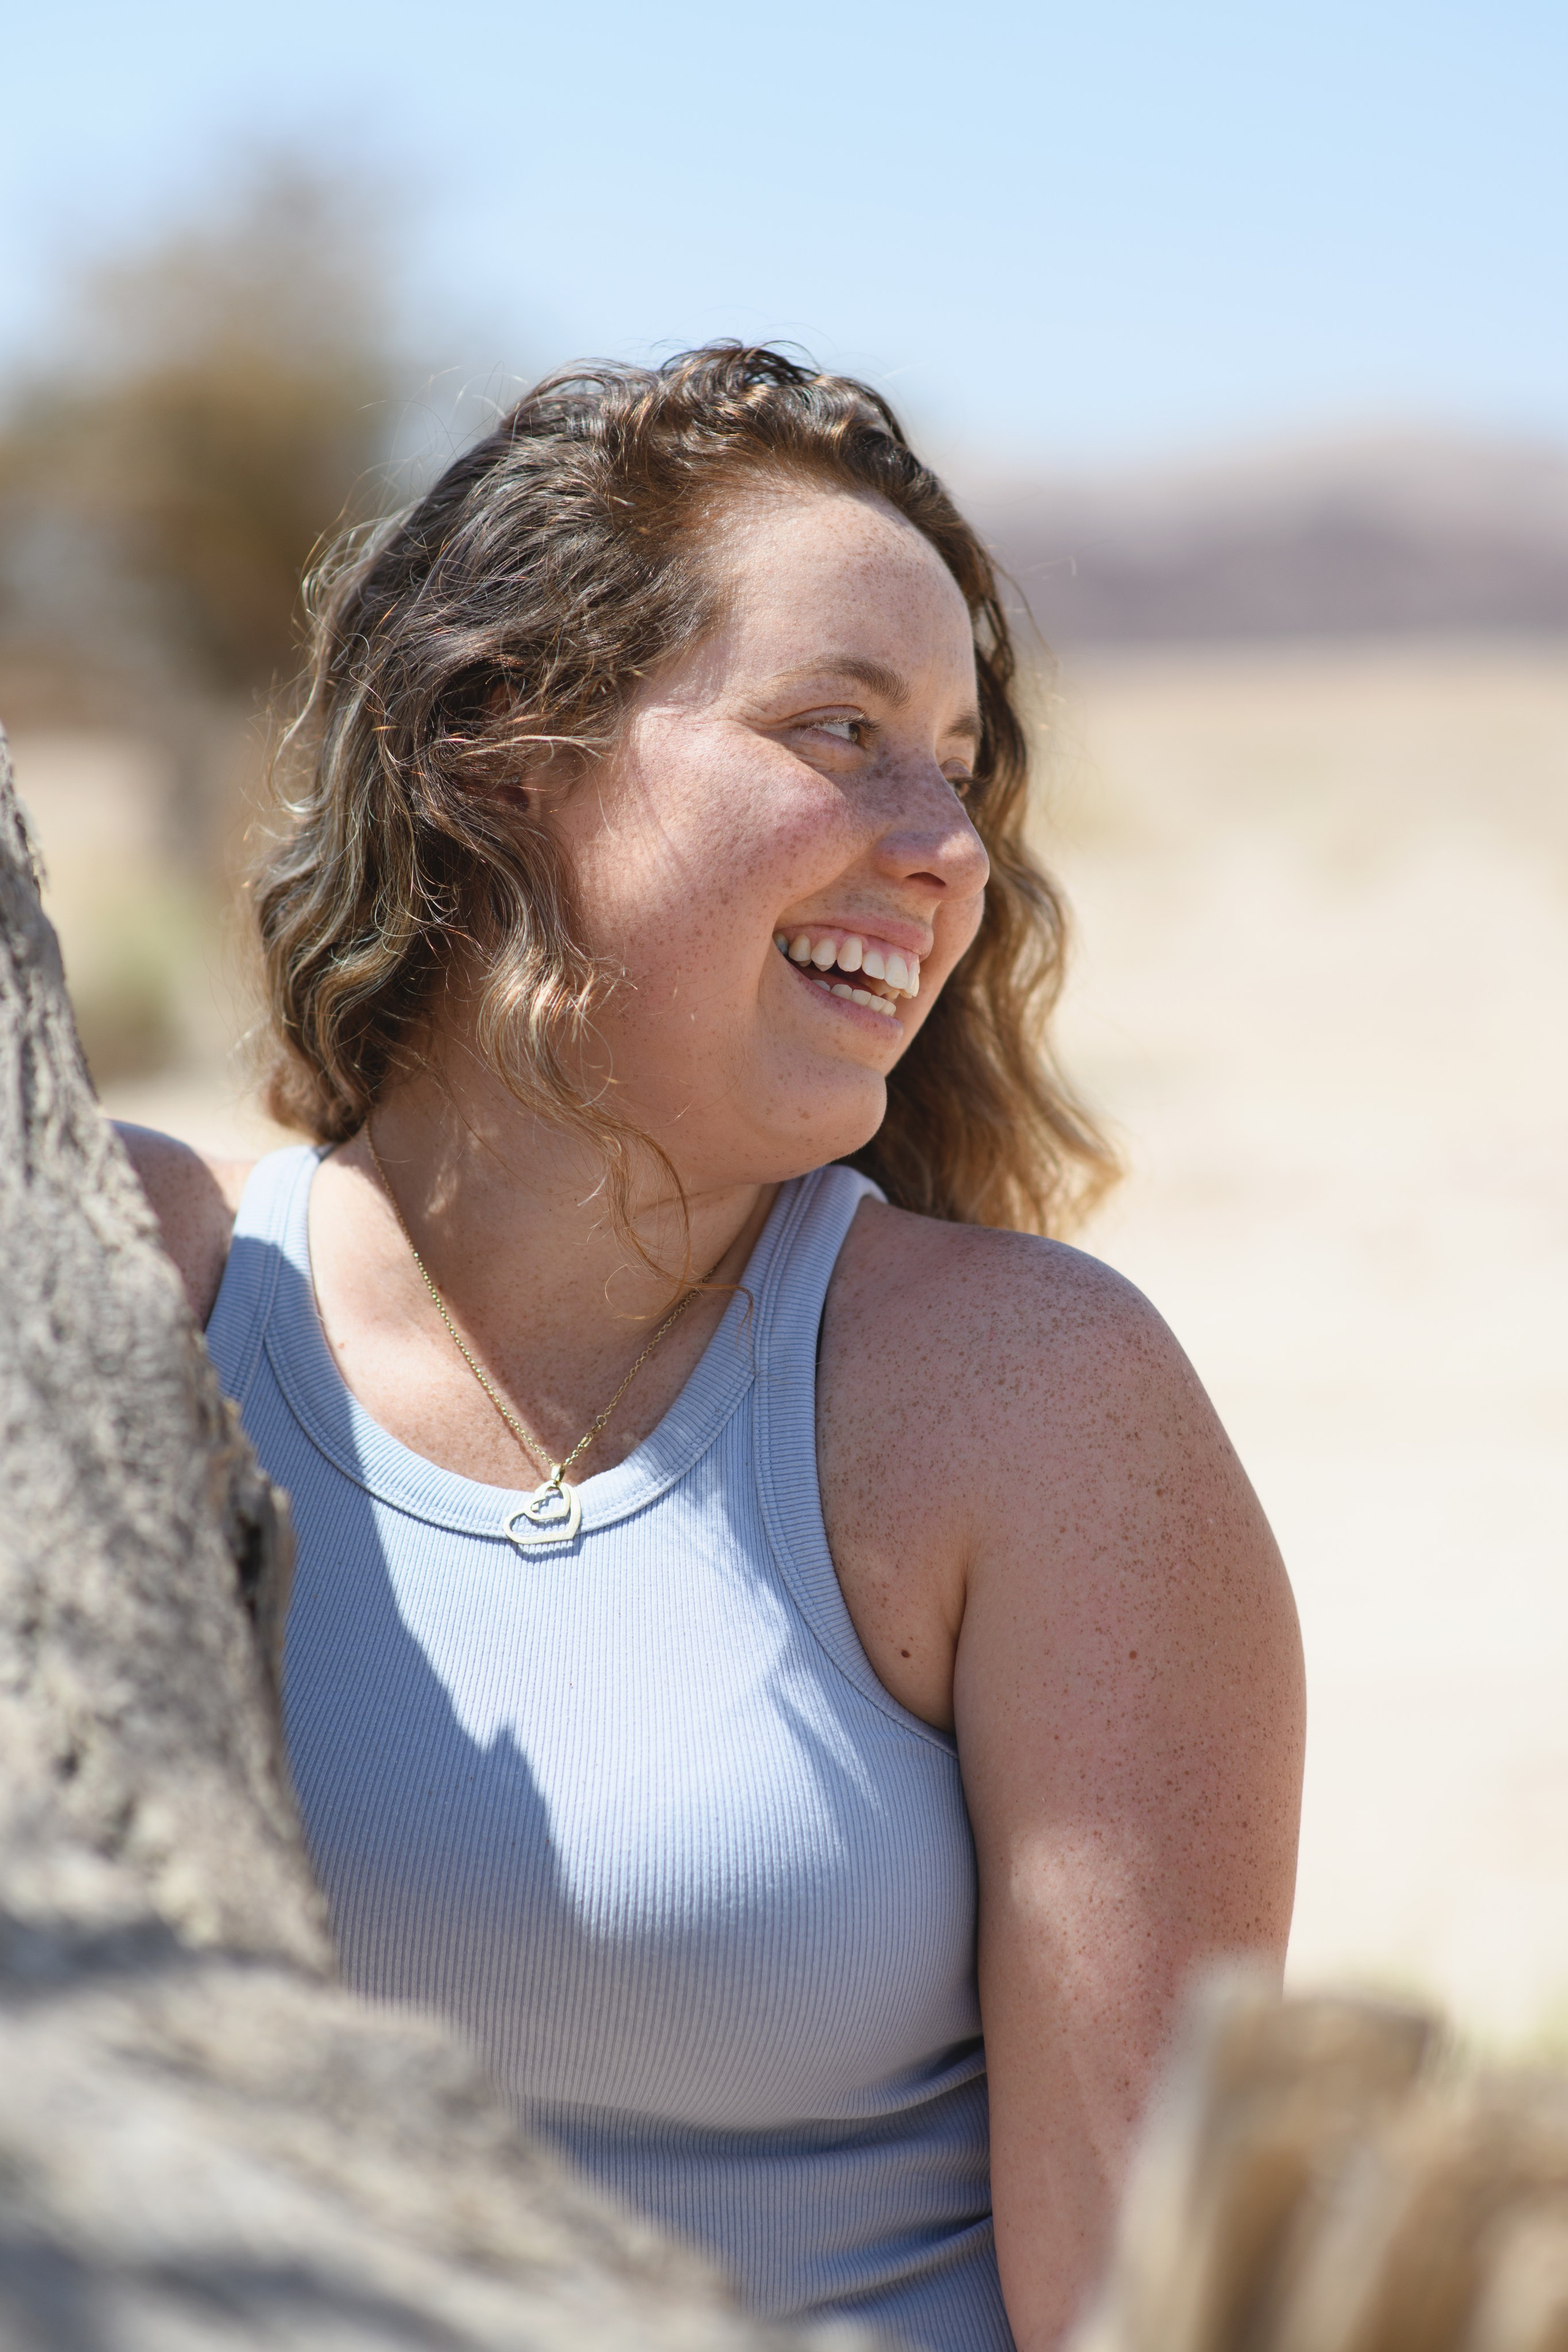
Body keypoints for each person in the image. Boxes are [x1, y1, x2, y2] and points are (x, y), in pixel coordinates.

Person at [122, 346, 1305, 2352]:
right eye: (841, 732)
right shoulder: (149, 1282)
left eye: (958, 766)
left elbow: (1155, 2312)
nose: (947, 847)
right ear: (506, 744)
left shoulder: (1028, 1407)